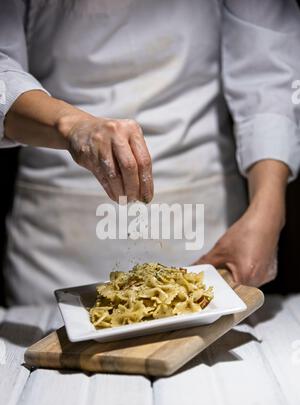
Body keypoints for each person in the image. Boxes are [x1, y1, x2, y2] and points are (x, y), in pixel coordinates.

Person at [0, 0, 300, 305]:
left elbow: (267, 75)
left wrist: (267, 211)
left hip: (205, 226)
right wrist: (70, 125)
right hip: (58, 242)